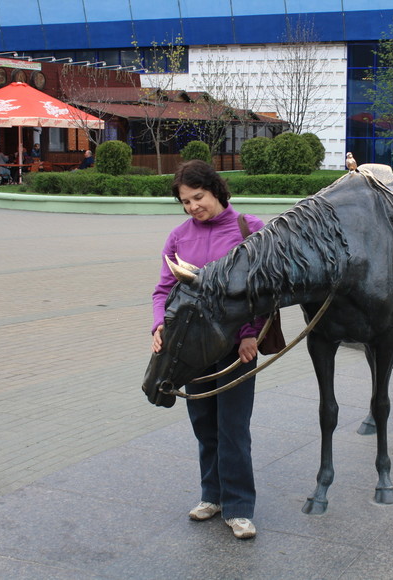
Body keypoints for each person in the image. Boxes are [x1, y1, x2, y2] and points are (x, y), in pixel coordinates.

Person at [151, 160, 265, 540]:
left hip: (237, 348)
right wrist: (159, 325)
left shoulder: (250, 230)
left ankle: (239, 507)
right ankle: (211, 496)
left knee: (233, 429)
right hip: (192, 349)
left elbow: (265, 293)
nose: (192, 207)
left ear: (216, 190)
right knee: (204, 426)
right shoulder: (179, 236)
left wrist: (252, 333)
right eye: (184, 201)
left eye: (197, 197)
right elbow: (163, 291)